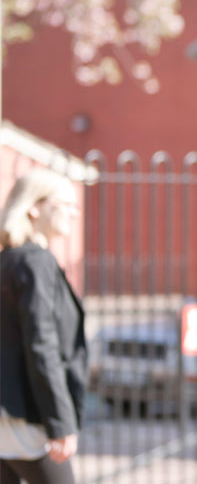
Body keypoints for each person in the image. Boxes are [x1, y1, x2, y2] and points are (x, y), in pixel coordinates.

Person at [0, 169, 86, 484]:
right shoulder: (36, 262)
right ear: (34, 207)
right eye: (64, 204)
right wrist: (61, 424)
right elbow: (41, 344)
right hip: (25, 421)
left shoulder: (8, 260)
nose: (74, 214)